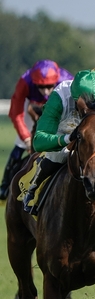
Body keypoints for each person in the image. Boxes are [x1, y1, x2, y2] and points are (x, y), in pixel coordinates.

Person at [25, 69, 95, 215]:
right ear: (75, 98)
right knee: (57, 155)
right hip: (65, 131)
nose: (89, 111)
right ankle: (34, 189)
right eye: (85, 107)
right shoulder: (60, 96)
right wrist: (66, 139)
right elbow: (39, 141)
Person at [0, 60, 73, 201]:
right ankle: (5, 184)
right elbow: (16, 112)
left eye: (49, 86)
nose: (45, 92)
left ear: (56, 81)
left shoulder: (68, 80)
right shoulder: (24, 82)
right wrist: (26, 138)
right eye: (40, 86)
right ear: (34, 82)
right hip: (31, 107)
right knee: (20, 143)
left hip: (59, 107)